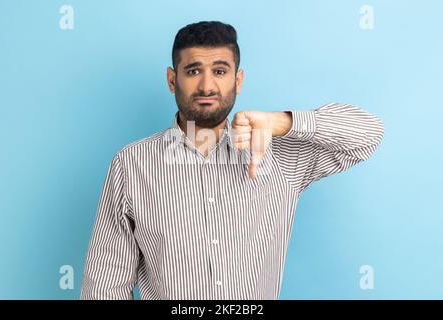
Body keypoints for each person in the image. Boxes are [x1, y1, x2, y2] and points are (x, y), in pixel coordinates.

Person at [80, 21, 384, 300]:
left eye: (220, 71)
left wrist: (282, 122)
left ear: (238, 80)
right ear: (172, 80)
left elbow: (368, 134)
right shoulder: (132, 164)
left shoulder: (281, 154)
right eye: (194, 70)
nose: (207, 87)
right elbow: (105, 285)